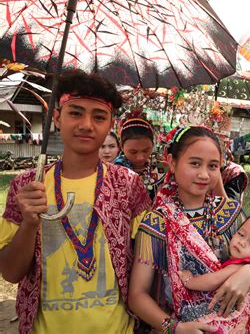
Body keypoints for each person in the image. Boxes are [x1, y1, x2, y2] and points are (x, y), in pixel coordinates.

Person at [0, 69, 151, 333]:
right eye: (75, 112)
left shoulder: (128, 185)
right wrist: (28, 223)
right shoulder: (27, 186)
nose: (86, 125)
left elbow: (148, 263)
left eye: (99, 116)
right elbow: (11, 273)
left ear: (111, 125)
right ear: (56, 118)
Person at [128, 126, 250, 333]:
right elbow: (137, 295)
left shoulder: (230, 213)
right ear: (172, 161)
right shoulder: (156, 222)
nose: (204, 174)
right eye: (195, 163)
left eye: (213, 166)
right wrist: (176, 328)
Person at [178, 213, 250, 292]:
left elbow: (213, 280)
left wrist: (189, 281)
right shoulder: (239, 261)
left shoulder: (239, 266)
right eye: (241, 234)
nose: (242, 242)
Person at [114, 114, 166, 201]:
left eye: (146, 150)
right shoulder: (115, 171)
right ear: (121, 146)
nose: (140, 157)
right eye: (133, 152)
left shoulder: (161, 168)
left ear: (153, 145)